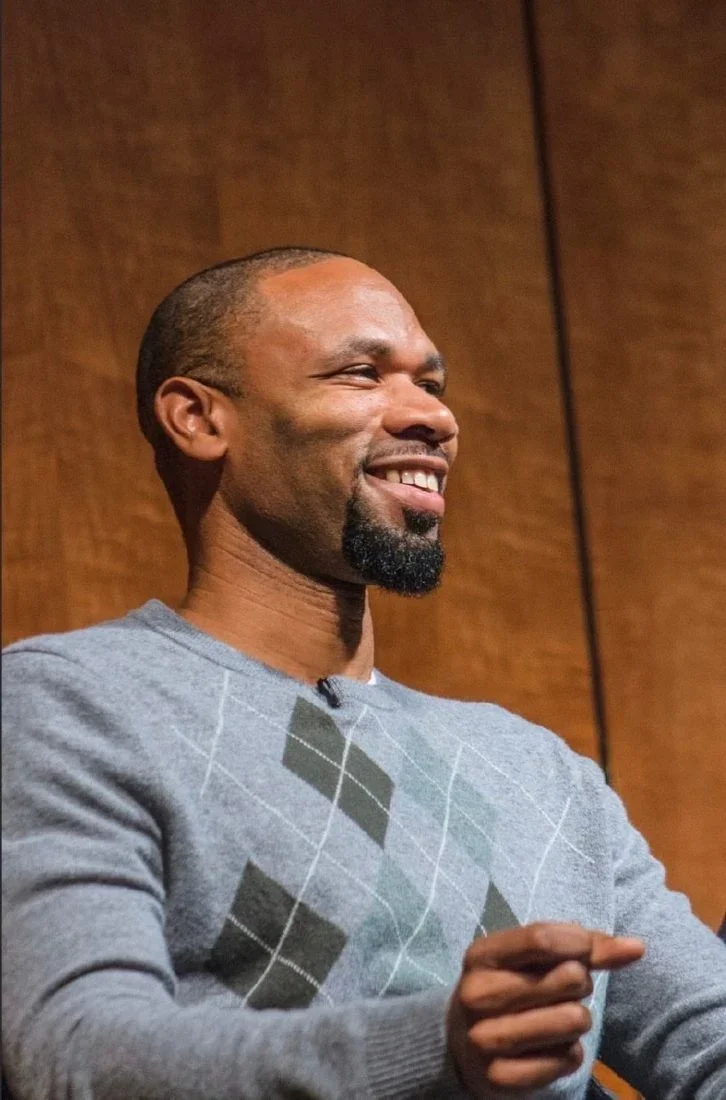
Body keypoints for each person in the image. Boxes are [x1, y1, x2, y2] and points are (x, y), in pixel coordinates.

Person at [2, 247, 724, 1100]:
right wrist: (435, 1046)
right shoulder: (70, 704)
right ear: (198, 418)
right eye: (362, 373)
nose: (432, 416)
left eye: (433, 383)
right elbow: (76, 1055)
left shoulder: (540, 774)